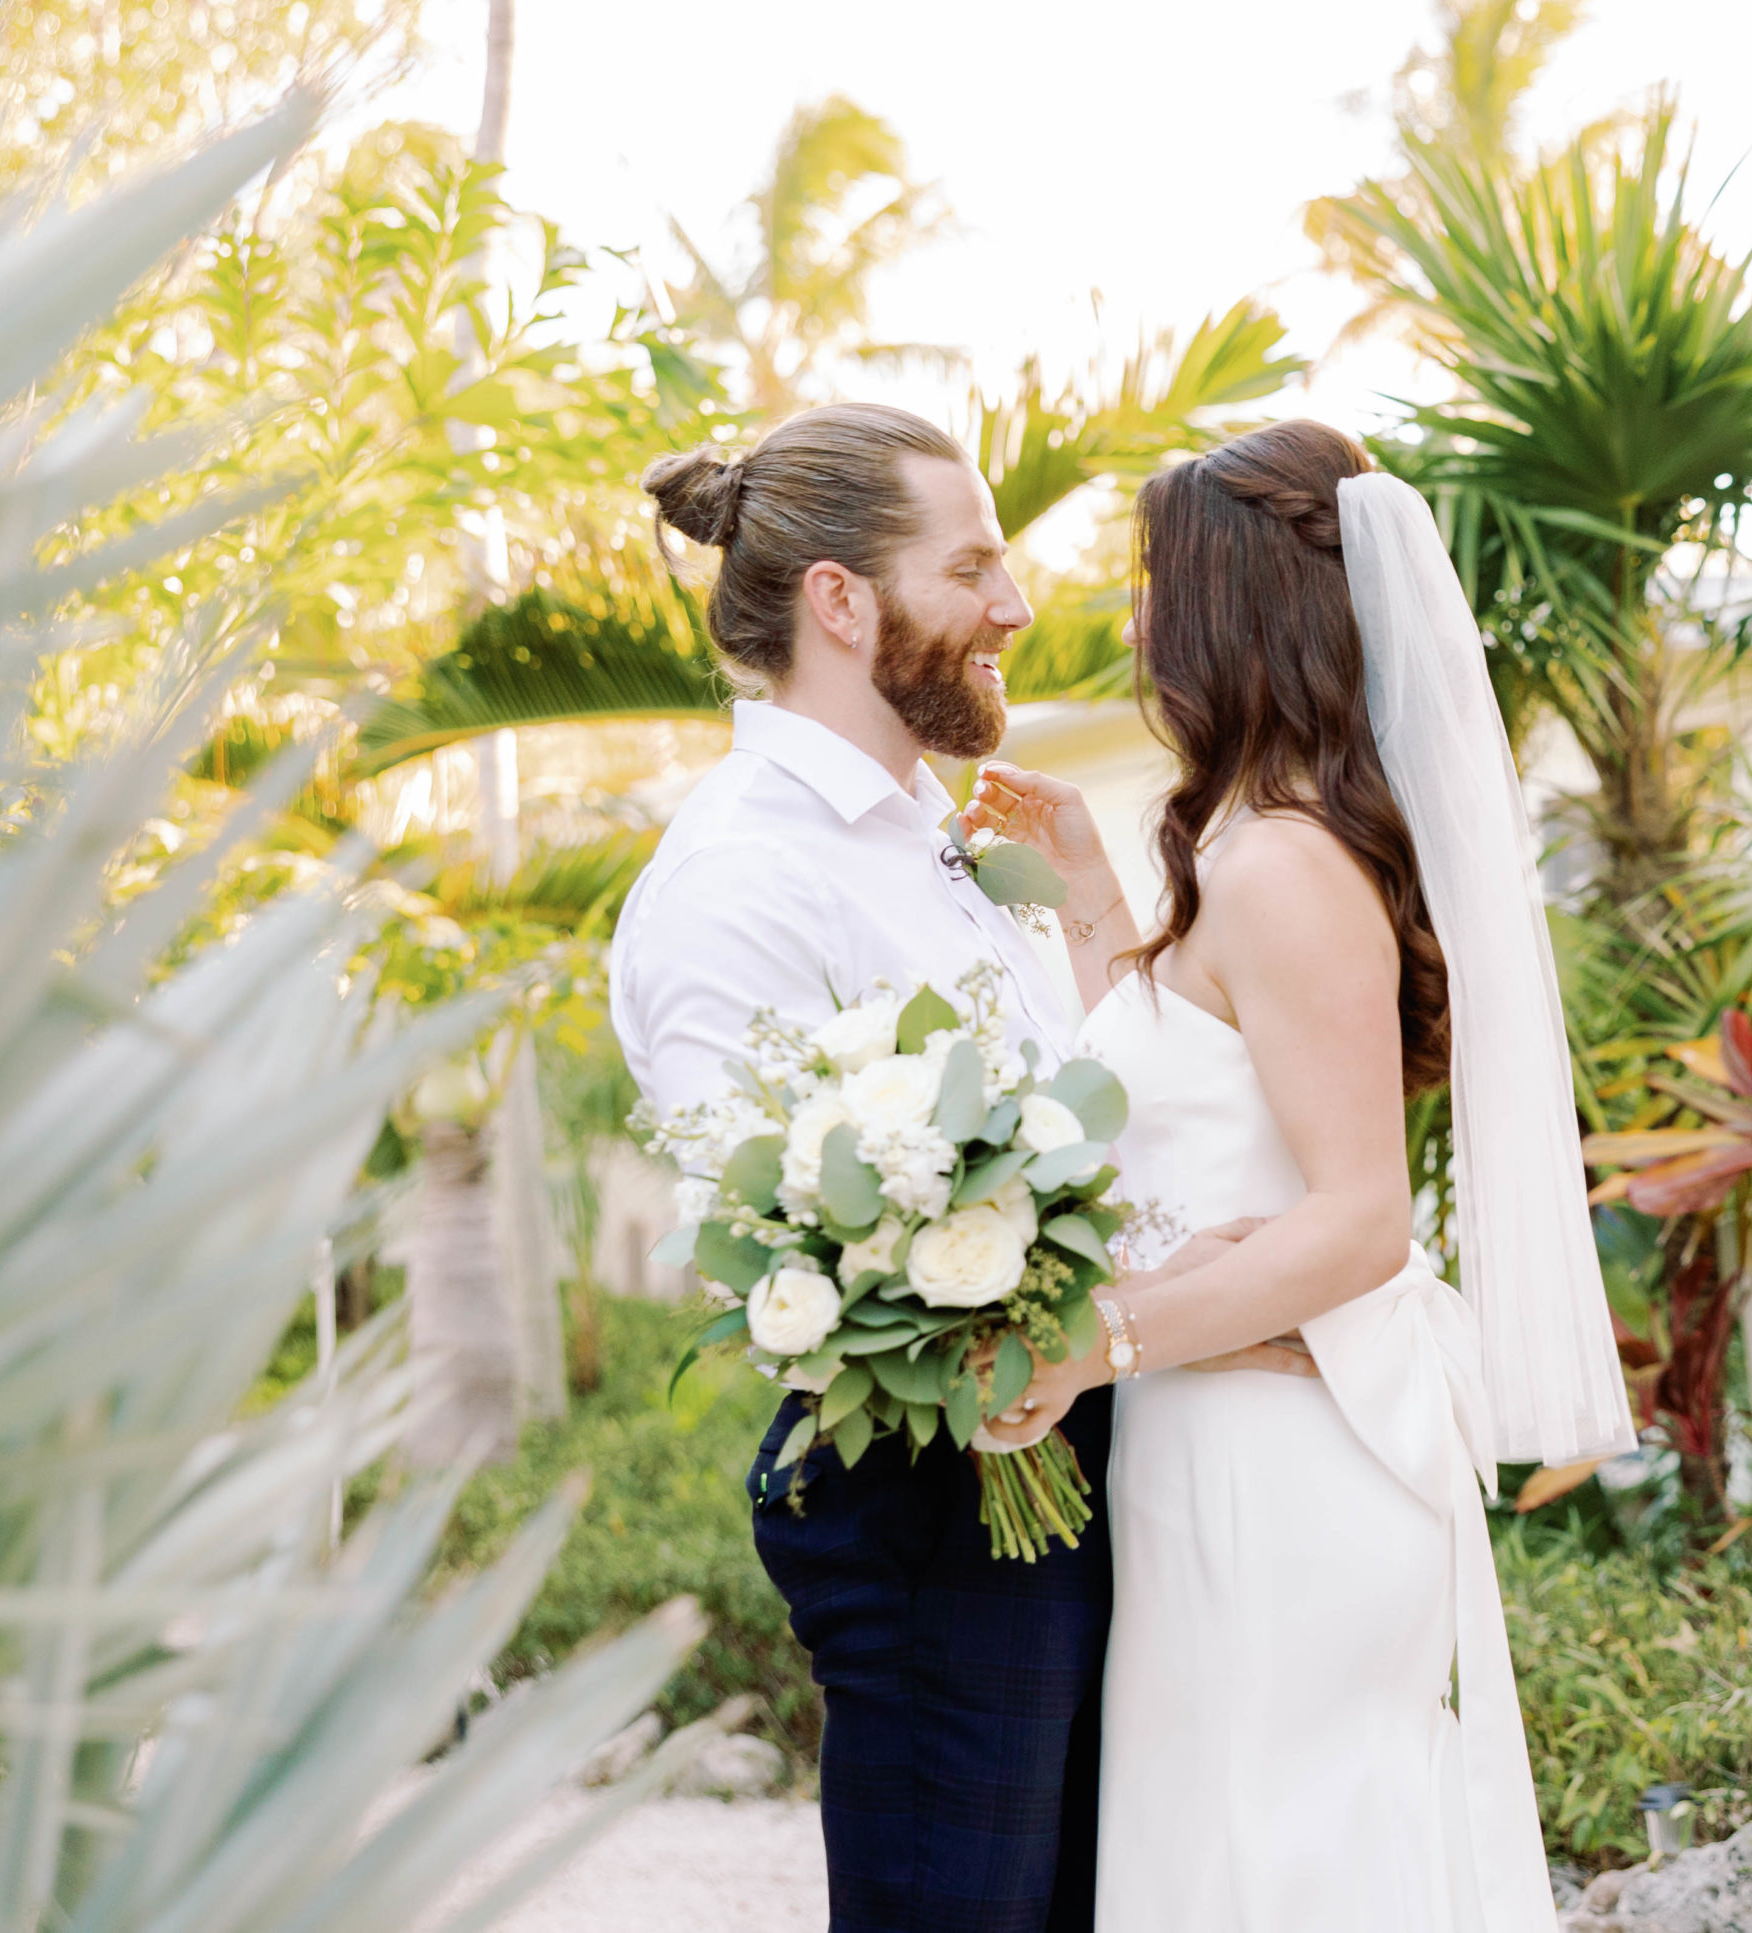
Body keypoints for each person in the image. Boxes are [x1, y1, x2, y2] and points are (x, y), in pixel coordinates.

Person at [964, 421, 1636, 1933]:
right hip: (1225, 1440)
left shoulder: (1285, 866)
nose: (1137, 618)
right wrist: (1089, 898)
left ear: (1233, 605)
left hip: (1286, 1460)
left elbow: (1358, 1218)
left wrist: (1099, 1339)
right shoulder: (1252, 843)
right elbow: (1176, 1122)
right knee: (1225, 1860)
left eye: (1157, 580)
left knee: (1285, 1868)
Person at [609, 402, 1272, 1933]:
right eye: (972, 566)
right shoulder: (738, 878)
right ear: (841, 600)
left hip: (1057, 1469)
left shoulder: (943, 834)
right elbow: (767, 1239)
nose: (1016, 608)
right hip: (926, 1507)